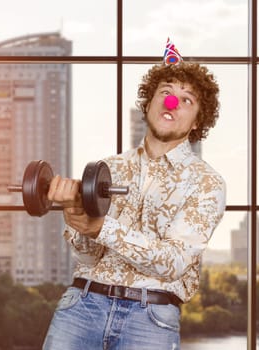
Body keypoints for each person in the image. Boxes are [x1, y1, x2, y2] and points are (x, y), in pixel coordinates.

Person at [42, 39, 226, 350]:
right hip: (82, 306)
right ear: (150, 102)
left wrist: (101, 227)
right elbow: (88, 256)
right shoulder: (107, 167)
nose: (171, 103)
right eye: (165, 93)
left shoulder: (207, 183)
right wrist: (77, 219)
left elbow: (172, 263)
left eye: (186, 100)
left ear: (197, 123)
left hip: (150, 319)